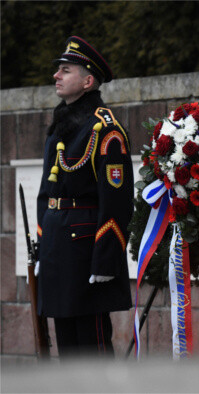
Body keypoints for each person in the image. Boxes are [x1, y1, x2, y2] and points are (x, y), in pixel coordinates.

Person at [35, 36, 133, 358]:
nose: (56, 76)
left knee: (91, 350)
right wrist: (42, 245)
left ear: (88, 81)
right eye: (58, 71)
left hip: (87, 252)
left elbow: (116, 202)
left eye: (66, 70)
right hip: (57, 249)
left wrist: (107, 257)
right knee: (67, 351)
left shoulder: (105, 130)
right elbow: (46, 193)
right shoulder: (60, 125)